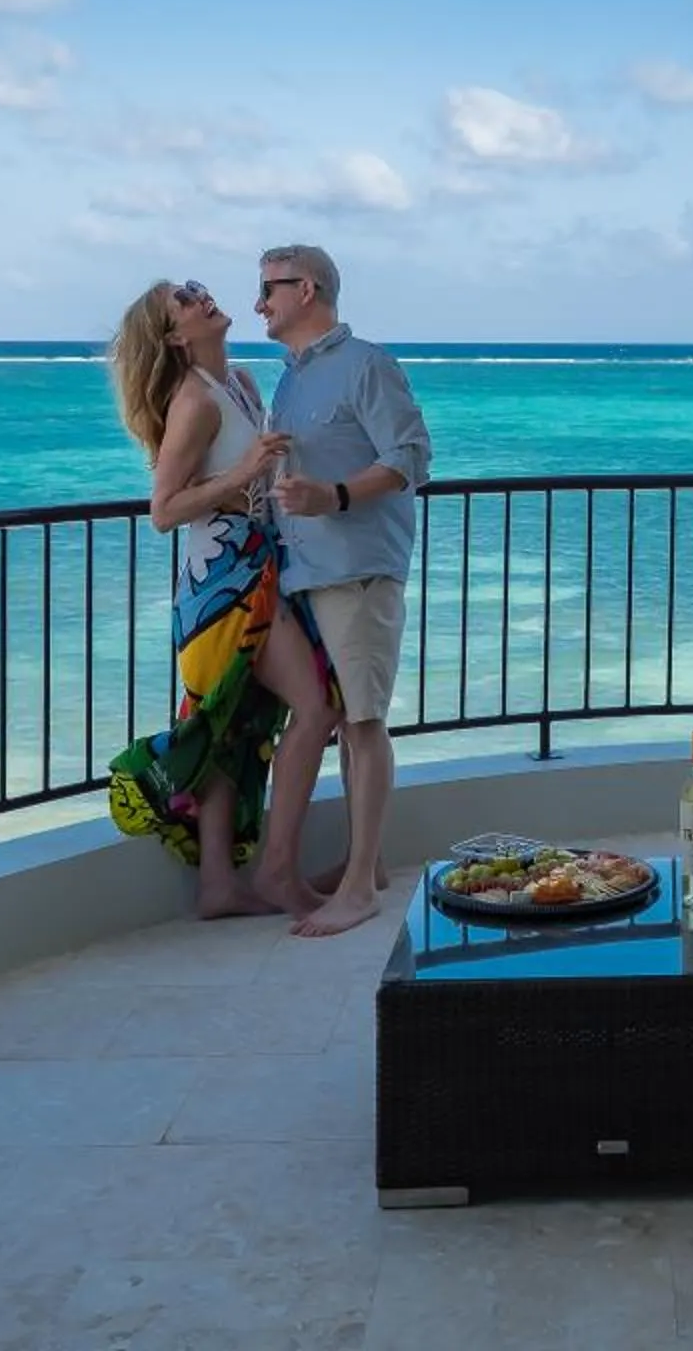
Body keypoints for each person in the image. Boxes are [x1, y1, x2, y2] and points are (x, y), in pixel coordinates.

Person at [103, 277, 342, 920]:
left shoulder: (238, 380)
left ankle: (217, 886)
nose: (198, 296)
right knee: (314, 711)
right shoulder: (193, 402)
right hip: (222, 585)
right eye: (183, 300)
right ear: (176, 336)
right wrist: (240, 477)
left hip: (257, 565)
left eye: (193, 287)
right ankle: (277, 873)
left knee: (233, 728)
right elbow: (163, 510)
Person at [256, 243, 429, 937]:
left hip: (357, 569)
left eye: (270, 287)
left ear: (310, 289)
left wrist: (333, 495)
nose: (259, 302)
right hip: (303, 572)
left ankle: (358, 887)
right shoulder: (290, 381)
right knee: (341, 715)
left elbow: (412, 457)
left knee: (362, 723)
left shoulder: (368, 365)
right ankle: (370, 863)